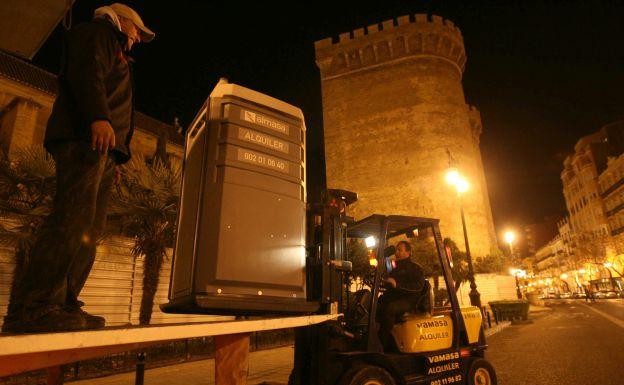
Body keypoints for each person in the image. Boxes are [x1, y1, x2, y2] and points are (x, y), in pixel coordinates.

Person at [2, 3, 155, 333]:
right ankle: (36, 308)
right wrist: (98, 118)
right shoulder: (96, 33)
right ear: (122, 19)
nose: (138, 38)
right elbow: (87, 74)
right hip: (84, 139)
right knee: (71, 221)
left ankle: (64, 304)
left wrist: (116, 156)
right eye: (137, 31)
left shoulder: (114, 47)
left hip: (103, 150)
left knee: (89, 229)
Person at [376, 240, 428, 351]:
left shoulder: (415, 268)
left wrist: (397, 284)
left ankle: (382, 343)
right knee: (375, 305)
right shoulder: (394, 268)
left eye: (400, 250)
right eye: (396, 250)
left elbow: (417, 287)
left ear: (408, 252)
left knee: (391, 308)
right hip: (396, 298)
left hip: (409, 300)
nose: (397, 252)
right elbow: (392, 285)